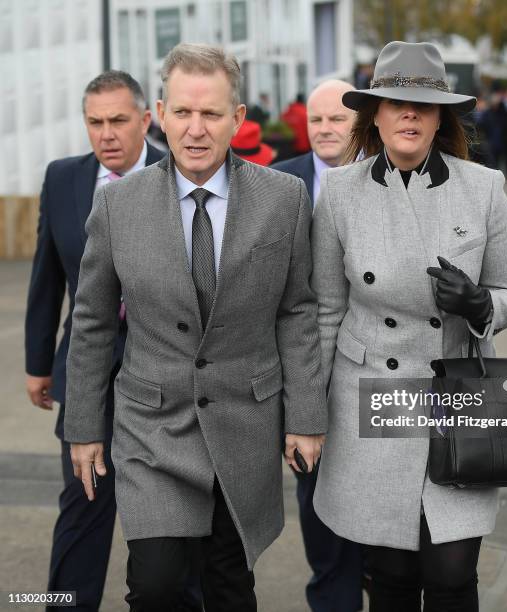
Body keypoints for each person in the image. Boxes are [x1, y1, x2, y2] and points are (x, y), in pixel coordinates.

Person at [63, 42, 326, 612]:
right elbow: (91, 320)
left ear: (237, 119)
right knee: (155, 585)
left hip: (244, 421)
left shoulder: (283, 198)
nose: (195, 128)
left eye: (210, 114)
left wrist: (305, 416)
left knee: (228, 585)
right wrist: (83, 427)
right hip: (152, 428)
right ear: (160, 114)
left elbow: (298, 309)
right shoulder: (119, 206)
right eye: (182, 112)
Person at [311, 41, 507, 611]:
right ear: (374, 114)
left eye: (424, 106)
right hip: (373, 397)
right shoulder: (339, 194)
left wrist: (481, 304)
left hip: (454, 395)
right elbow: (326, 312)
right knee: (391, 571)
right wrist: (307, 411)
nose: (409, 114)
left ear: (440, 118)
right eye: (394, 102)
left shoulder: (483, 190)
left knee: (453, 570)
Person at [24, 70, 164, 611]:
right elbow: (46, 278)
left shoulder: (181, 173)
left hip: (162, 375)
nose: (106, 134)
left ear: (146, 121)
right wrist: (39, 363)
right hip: (83, 372)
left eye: (118, 122)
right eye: (95, 123)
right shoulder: (63, 178)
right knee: (82, 508)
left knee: (166, 518)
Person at [273, 79, 364, 612]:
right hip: (301, 375)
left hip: (373, 369)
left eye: (338, 120)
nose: (325, 129)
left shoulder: (384, 180)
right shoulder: (279, 183)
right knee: (317, 506)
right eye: (317, 120)